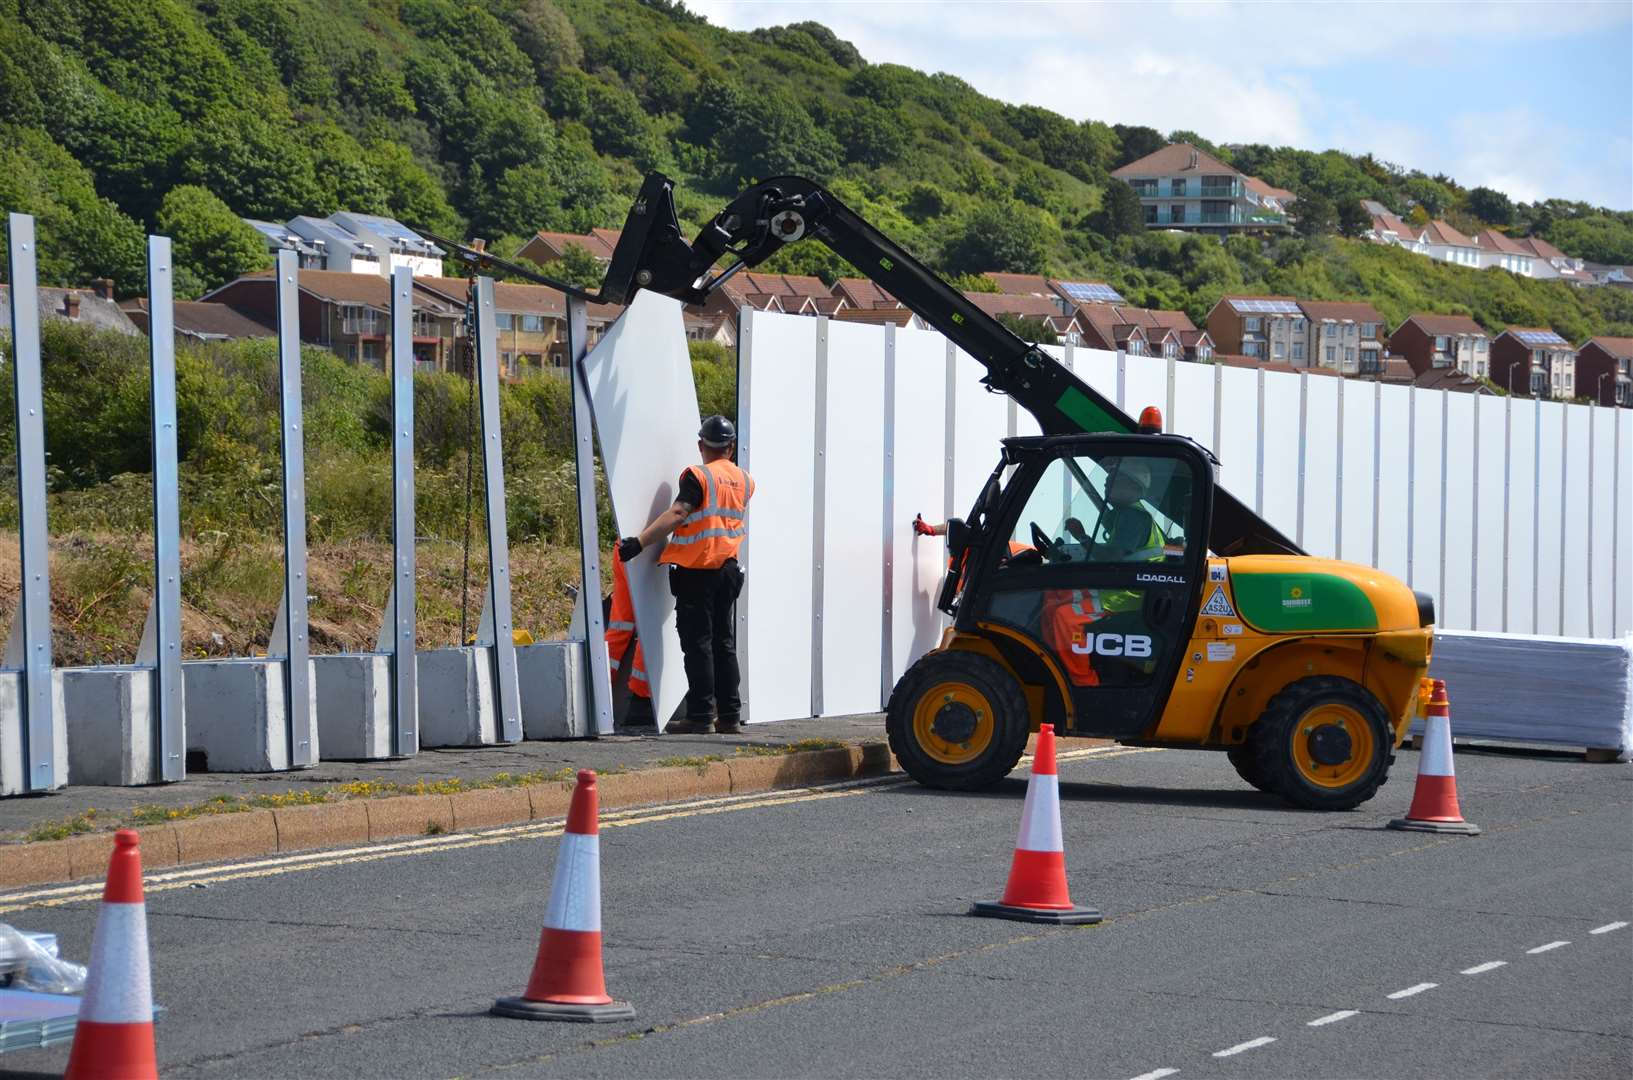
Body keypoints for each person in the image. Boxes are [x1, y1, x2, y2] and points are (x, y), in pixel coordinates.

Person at [618, 415, 754, 735]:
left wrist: (639, 543)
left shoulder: (698, 476)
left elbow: (679, 513)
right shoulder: (744, 480)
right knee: (724, 643)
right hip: (728, 570)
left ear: (700, 445)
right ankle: (730, 715)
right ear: (731, 448)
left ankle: (700, 716)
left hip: (698, 572)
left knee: (699, 645)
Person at [605, 546, 653, 727]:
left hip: (625, 546)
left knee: (619, 627)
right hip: (650, 546)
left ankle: (596, 690)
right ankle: (642, 703)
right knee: (651, 627)